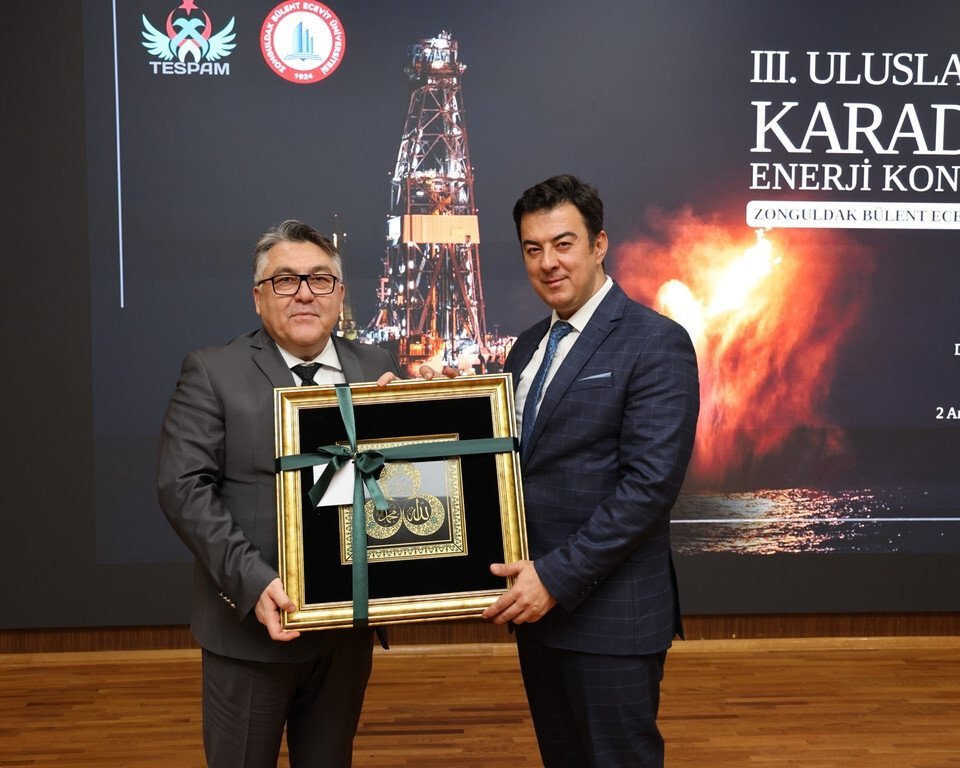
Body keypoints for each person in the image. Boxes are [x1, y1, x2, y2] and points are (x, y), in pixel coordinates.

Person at [157, 219, 402, 768]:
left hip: (345, 634)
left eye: (320, 279)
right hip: (250, 633)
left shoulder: (378, 368)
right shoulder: (213, 371)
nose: (305, 293)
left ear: (340, 293)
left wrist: (423, 413)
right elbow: (183, 488)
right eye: (286, 280)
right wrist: (254, 581)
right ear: (258, 297)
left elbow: (407, 480)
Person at [482, 175, 700, 767]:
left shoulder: (656, 341)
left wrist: (554, 578)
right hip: (538, 612)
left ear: (599, 245)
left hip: (611, 617)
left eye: (564, 244)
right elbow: (504, 461)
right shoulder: (526, 348)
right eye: (533, 249)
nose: (548, 262)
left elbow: (649, 488)